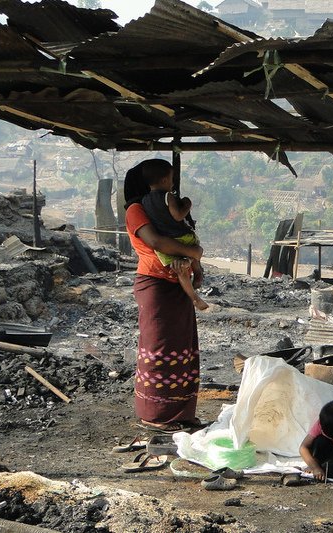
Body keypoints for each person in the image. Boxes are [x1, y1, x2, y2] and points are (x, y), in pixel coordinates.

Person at [124, 160, 206, 433]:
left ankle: (180, 412)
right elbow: (157, 242)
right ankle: (155, 414)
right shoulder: (136, 211)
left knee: (182, 348)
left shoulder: (155, 207)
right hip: (155, 285)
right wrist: (194, 253)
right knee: (159, 349)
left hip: (174, 284)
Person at [138, 158, 208, 310]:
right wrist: (187, 205)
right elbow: (177, 216)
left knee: (180, 272)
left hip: (164, 246)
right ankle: (198, 273)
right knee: (194, 253)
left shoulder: (144, 201)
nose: (172, 184)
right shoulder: (167, 196)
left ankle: (194, 298)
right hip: (182, 237)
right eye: (171, 180)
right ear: (164, 180)